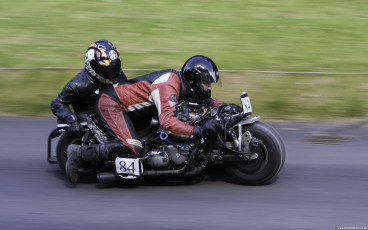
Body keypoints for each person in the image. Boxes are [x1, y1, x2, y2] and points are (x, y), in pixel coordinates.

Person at [65, 55, 222, 183]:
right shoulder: (168, 85)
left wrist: (225, 107)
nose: (208, 87)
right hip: (112, 104)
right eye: (206, 83)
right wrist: (197, 131)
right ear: (194, 80)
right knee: (132, 148)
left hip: (130, 110)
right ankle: (79, 154)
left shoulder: (185, 85)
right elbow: (167, 123)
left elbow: (206, 101)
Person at [51, 40, 127, 135]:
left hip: (110, 109)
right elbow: (57, 103)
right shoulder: (78, 85)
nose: (112, 73)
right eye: (106, 69)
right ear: (93, 67)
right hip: (90, 116)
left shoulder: (117, 74)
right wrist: (71, 120)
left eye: (114, 67)